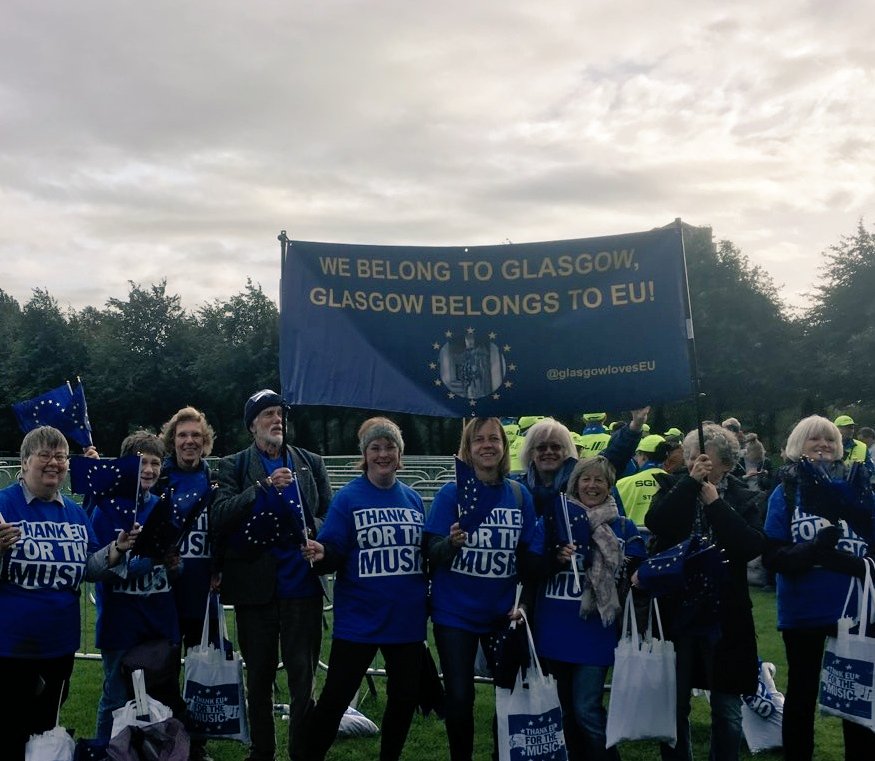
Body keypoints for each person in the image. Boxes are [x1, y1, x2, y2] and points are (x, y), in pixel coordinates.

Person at [0, 426, 138, 761]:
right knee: (9, 728)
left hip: (60, 644)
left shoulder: (74, 513)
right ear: (24, 461)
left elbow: (88, 567)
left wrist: (116, 550)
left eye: (61, 456)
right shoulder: (5, 505)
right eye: (44, 455)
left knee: (47, 729)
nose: (54, 463)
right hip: (11, 646)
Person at [211, 389, 332, 761]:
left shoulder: (310, 462)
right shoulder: (233, 465)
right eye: (267, 415)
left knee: (303, 680)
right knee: (260, 680)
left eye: (279, 413)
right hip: (255, 590)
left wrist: (315, 535)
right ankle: (262, 752)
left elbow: (329, 516)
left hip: (302, 589)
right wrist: (262, 488)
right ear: (252, 426)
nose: (276, 420)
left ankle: (301, 752)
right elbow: (220, 515)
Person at [301, 418, 427, 761]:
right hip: (360, 620)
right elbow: (332, 550)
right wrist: (322, 553)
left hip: (407, 621)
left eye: (390, 447)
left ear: (400, 455)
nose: (383, 454)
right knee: (335, 699)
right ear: (365, 454)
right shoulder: (348, 498)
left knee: (402, 700)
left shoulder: (414, 499)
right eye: (376, 448)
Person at [644, 424, 766, 761]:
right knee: (675, 703)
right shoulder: (673, 485)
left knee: (727, 709)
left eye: (704, 460)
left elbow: (750, 545)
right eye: (689, 458)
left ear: (726, 464)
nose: (694, 464)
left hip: (726, 615)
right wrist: (689, 484)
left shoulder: (745, 495)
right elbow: (658, 523)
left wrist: (715, 505)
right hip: (678, 609)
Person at [423, 417, 537, 761]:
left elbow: (529, 558)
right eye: (478, 440)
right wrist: (452, 544)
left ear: (504, 447)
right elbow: (430, 552)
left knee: (508, 694)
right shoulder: (451, 494)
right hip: (454, 614)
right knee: (459, 697)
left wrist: (526, 603)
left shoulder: (518, 494)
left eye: (494, 439)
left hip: (503, 613)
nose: (487, 445)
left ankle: (503, 755)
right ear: (467, 449)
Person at [762, 415, 875, 759]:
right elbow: (773, 556)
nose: (823, 445)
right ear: (798, 445)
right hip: (804, 609)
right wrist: (815, 549)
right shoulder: (787, 490)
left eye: (830, 440)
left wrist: (842, 561)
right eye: (814, 440)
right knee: (801, 692)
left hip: (854, 608)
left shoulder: (859, 486)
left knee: (856, 696)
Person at [532, 456, 645, 760]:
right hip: (554, 629)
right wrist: (553, 557)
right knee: (564, 712)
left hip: (597, 630)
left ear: (609, 486)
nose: (592, 485)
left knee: (586, 710)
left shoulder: (622, 525)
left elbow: (638, 565)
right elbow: (529, 567)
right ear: (575, 483)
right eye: (586, 479)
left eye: (599, 480)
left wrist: (630, 566)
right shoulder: (554, 519)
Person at [91, 431, 183, 742]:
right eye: (142, 462)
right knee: (116, 699)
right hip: (121, 624)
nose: (149, 469)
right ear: (127, 466)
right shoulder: (105, 508)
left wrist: (172, 563)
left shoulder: (162, 504)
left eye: (155, 463)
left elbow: (170, 568)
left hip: (158, 618)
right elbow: (102, 568)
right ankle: (105, 751)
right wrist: (150, 560)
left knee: (160, 699)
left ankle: (152, 752)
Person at [514, 409, 651, 519]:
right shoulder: (519, 488)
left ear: (566, 450)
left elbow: (615, 455)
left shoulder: (582, 476)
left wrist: (635, 425)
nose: (548, 452)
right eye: (541, 447)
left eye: (555, 447)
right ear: (530, 452)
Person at [158, 406, 218, 654]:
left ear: (205, 441)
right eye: (182, 435)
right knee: (162, 674)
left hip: (203, 594)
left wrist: (220, 567)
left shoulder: (215, 480)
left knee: (205, 676)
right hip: (164, 593)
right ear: (173, 440)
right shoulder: (158, 479)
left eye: (196, 435)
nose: (189, 441)